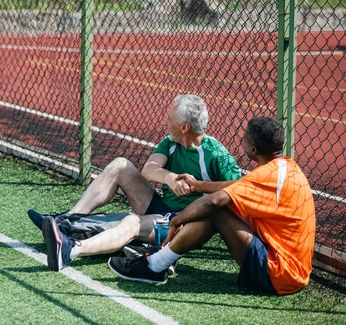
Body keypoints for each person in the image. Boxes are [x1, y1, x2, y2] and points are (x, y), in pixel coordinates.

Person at [30, 94, 242, 271]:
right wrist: (170, 178)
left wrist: (200, 189)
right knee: (120, 165)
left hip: (184, 222)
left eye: (170, 118)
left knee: (132, 223)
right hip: (163, 208)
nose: (166, 121)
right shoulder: (171, 142)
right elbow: (148, 169)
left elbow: (241, 189)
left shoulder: (216, 155)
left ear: (185, 127)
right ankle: (66, 220)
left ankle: (71, 250)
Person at [108, 117, 316, 295]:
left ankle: (155, 266)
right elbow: (239, 184)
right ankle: (159, 259)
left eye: (244, 139)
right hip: (294, 272)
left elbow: (214, 201)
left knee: (217, 210)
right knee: (223, 204)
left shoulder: (265, 175)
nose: (241, 141)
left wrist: (178, 220)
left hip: (278, 274)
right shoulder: (286, 167)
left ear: (253, 150)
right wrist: (199, 186)